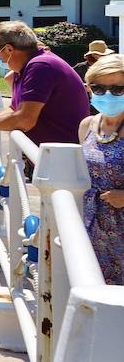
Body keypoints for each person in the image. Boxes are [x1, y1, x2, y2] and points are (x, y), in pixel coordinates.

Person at [0, 21, 91, 146]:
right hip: (48, 156)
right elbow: (14, 109)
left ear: (9, 49)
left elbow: (24, 120)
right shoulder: (25, 68)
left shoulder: (40, 66)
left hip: (60, 160)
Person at [77, 54, 124, 285]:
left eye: (117, 89)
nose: (107, 95)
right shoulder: (87, 125)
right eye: (99, 88)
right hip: (92, 224)